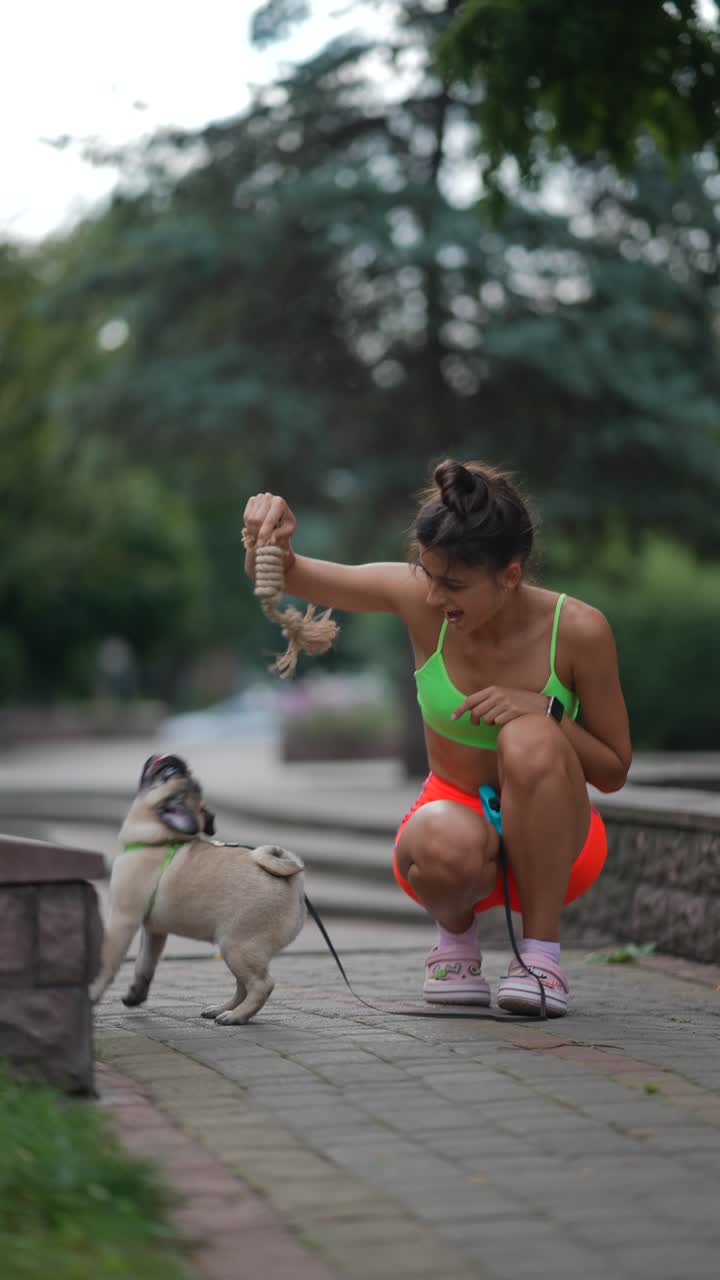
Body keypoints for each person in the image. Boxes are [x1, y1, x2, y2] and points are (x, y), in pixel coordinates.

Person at [243, 459, 632, 1017]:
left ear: (511, 576)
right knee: (445, 838)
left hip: (558, 841)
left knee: (529, 739)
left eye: (454, 585)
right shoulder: (420, 597)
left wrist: (547, 711)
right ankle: (455, 944)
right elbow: (292, 573)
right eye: (428, 575)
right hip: (451, 834)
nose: (432, 597)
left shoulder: (579, 630)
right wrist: (267, 530)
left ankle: (540, 957)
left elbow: (614, 770)